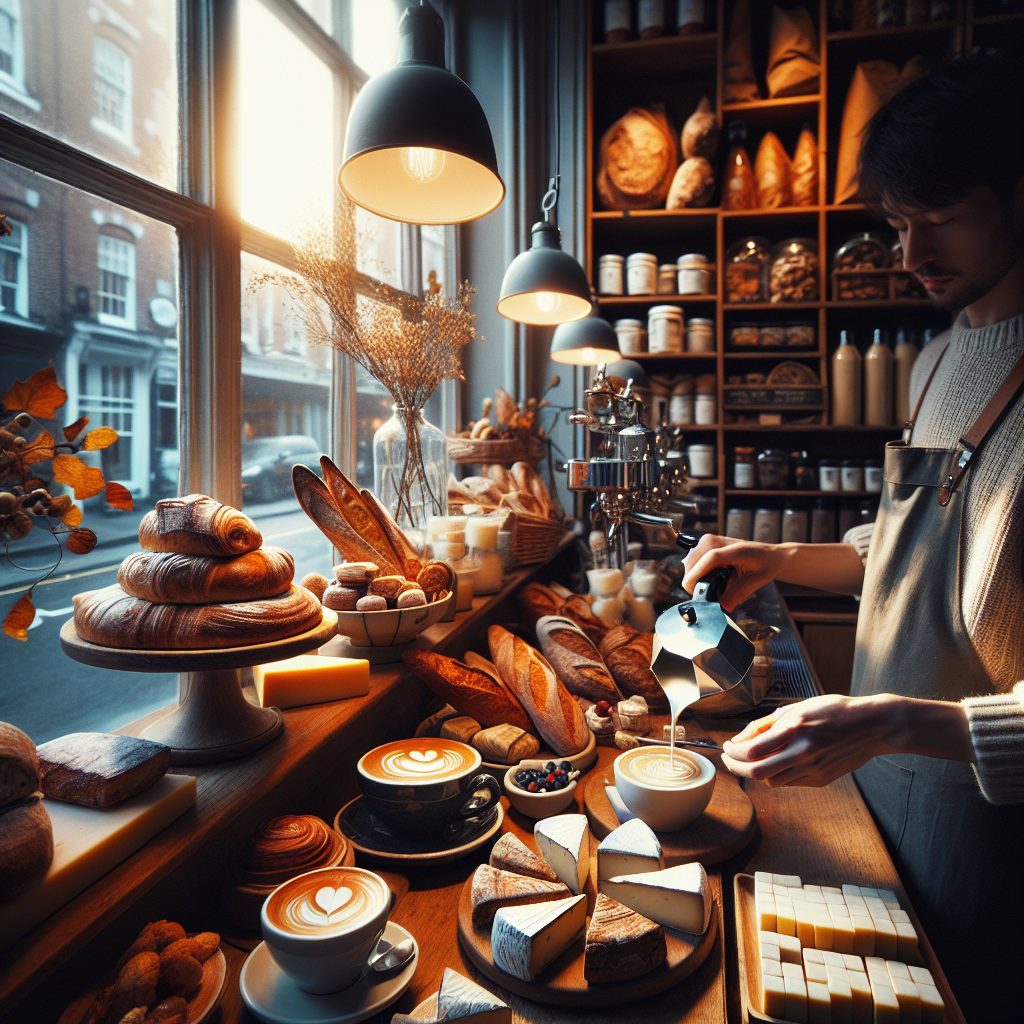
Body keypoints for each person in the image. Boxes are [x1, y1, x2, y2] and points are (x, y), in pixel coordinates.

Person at [682, 52, 1023, 1020]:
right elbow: (905, 546)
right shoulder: (936, 361)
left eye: (939, 216)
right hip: (884, 814)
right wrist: (783, 558)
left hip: (990, 856)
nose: (909, 252)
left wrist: (890, 719)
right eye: (895, 223)